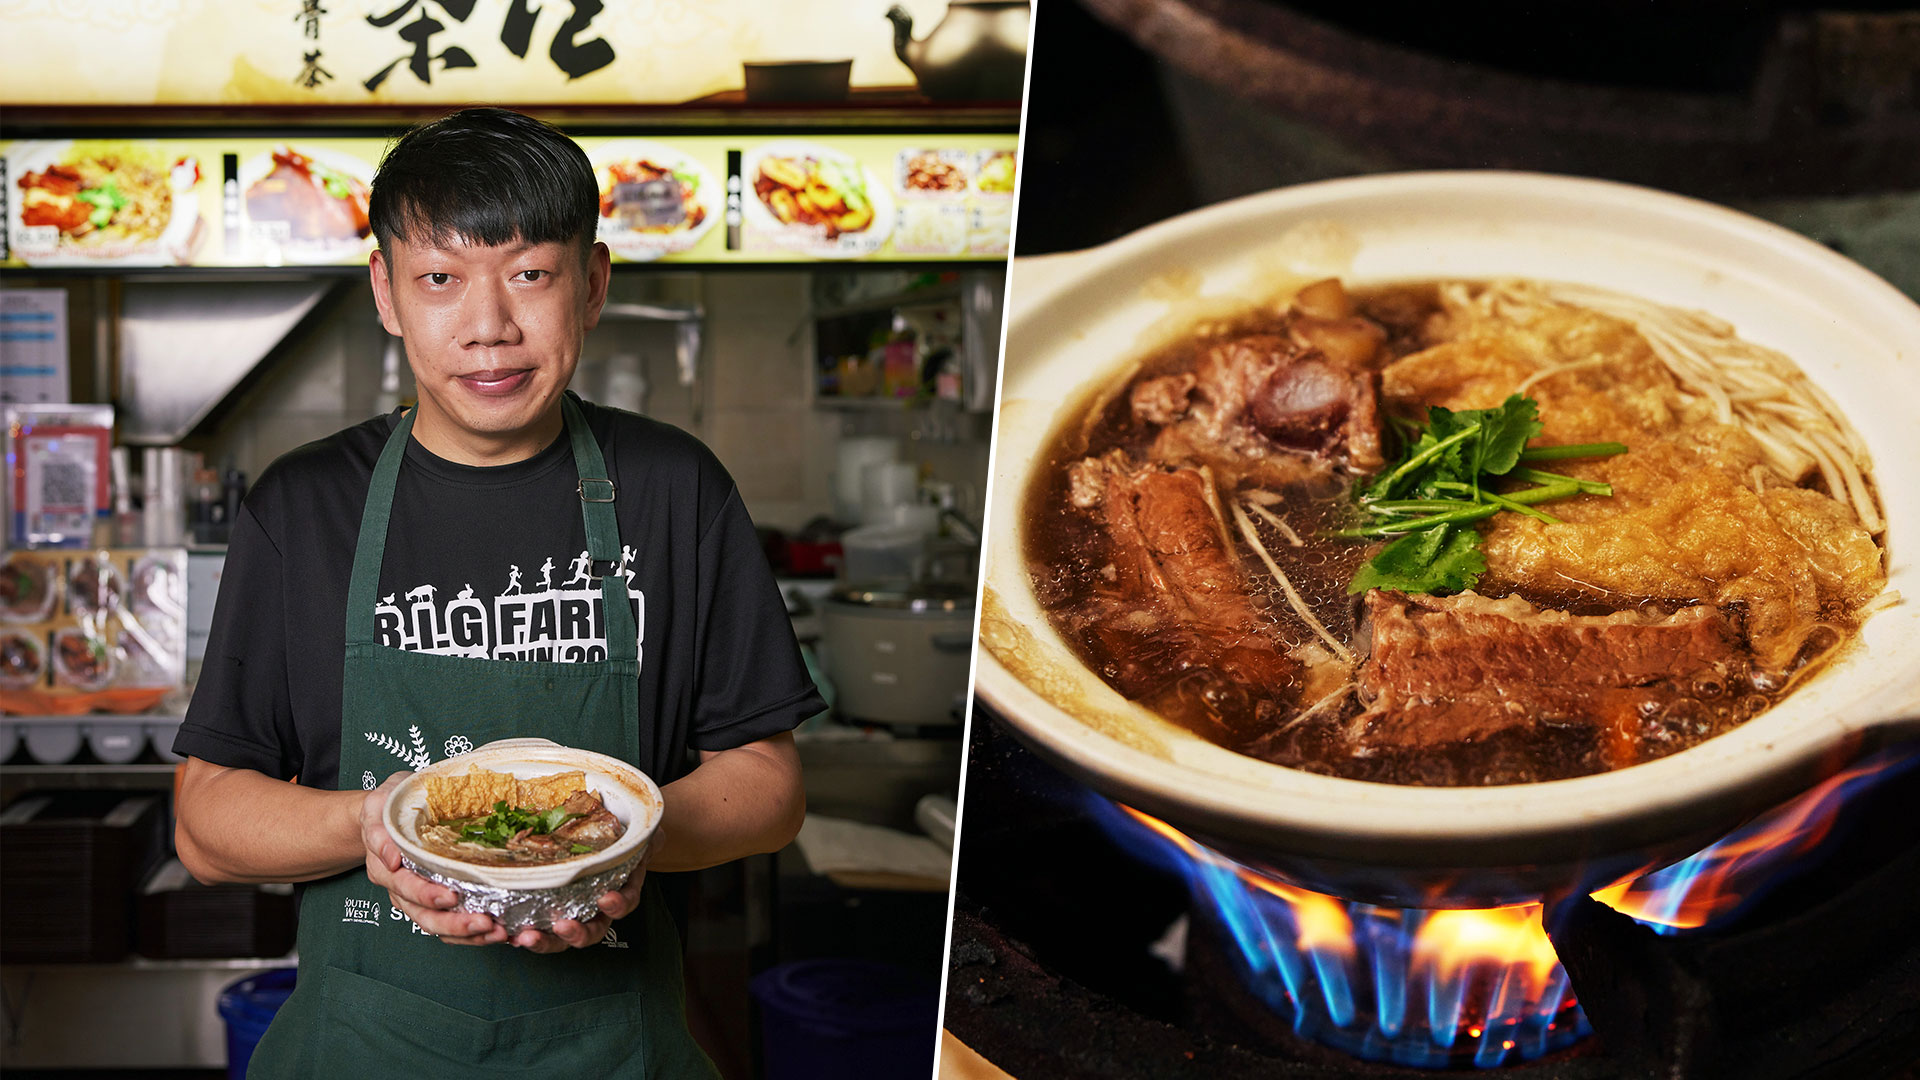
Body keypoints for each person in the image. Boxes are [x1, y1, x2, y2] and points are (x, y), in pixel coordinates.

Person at [172, 107, 821, 1076]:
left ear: (592, 284)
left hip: (607, 1047)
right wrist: (376, 825)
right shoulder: (304, 506)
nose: (488, 328)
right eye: (440, 280)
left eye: (530, 275)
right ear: (386, 294)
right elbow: (206, 822)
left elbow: (768, 787)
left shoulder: (671, 486)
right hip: (363, 1050)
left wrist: (610, 852)